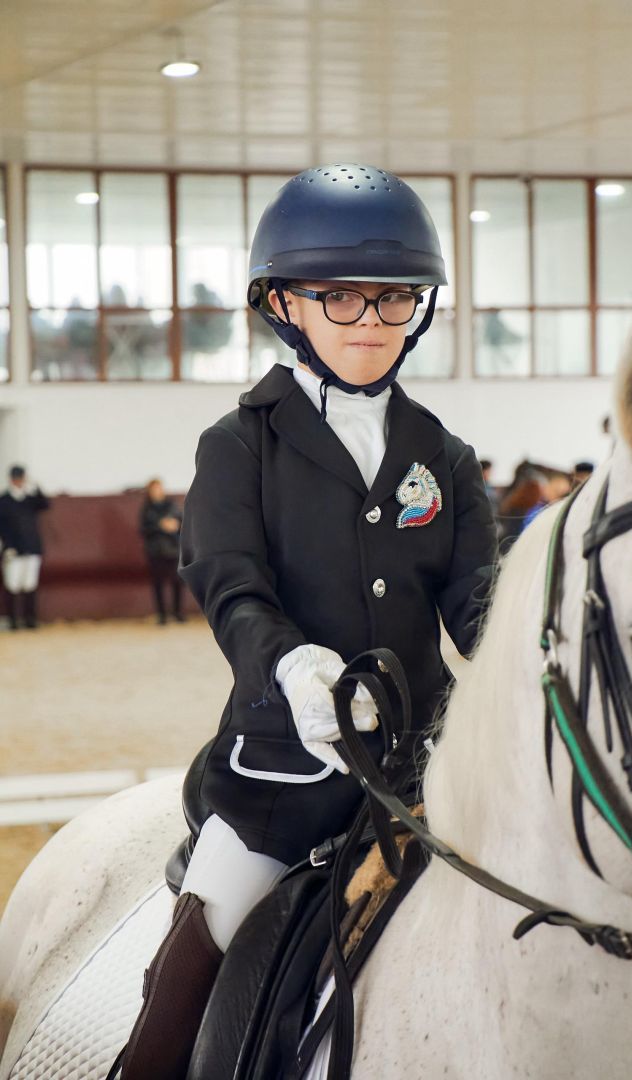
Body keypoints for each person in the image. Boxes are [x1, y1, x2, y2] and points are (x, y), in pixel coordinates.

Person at [120, 163, 498, 1078]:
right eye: (341, 298)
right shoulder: (237, 445)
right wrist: (292, 667)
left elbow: (478, 608)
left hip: (427, 774)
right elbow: (231, 587)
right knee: (199, 951)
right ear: (284, 304)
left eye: (395, 299)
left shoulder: (443, 456)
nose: (372, 322)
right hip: (281, 780)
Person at [0, 465, 51, 630]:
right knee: (12, 584)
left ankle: (30, 619)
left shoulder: (29, 499)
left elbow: (45, 504)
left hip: (31, 547)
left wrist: (36, 486)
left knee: (30, 584)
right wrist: (7, 546)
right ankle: (13, 620)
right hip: (13, 549)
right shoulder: (4, 501)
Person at [138, 478, 185, 624]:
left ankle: (177, 613)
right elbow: (143, 529)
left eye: (159, 488)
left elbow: (180, 522)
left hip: (173, 550)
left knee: (177, 582)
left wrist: (173, 525)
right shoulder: (147, 508)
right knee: (158, 584)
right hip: (155, 551)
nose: (157, 491)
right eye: (154, 489)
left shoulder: (171, 505)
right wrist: (161, 525)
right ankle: (162, 615)